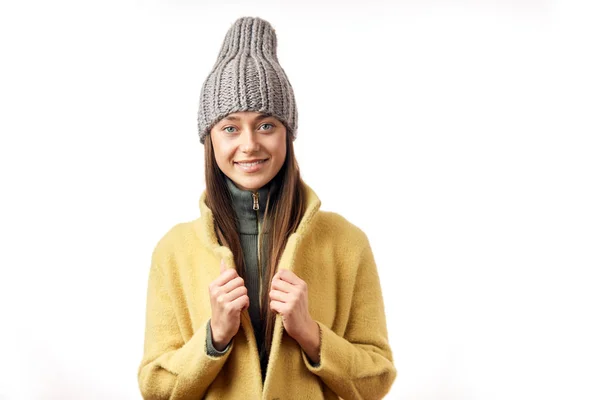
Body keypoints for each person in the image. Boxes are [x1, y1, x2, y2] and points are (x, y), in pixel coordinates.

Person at [137, 16, 396, 400]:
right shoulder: (173, 251)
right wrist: (214, 338)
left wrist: (311, 333)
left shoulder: (346, 242)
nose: (249, 144)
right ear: (209, 139)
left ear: (287, 134)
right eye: (230, 127)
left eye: (266, 125)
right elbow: (155, 388)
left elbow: (377, 381)